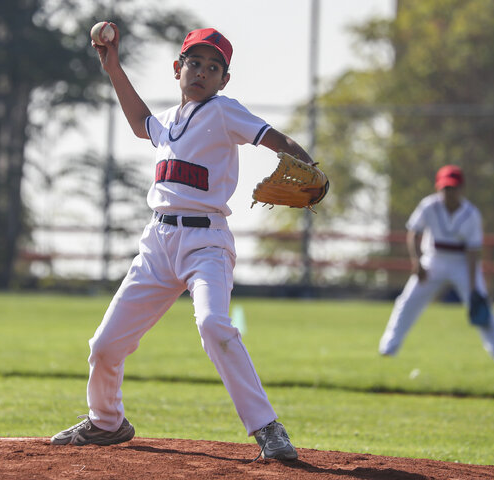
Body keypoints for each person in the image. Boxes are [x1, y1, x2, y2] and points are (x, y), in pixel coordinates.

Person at [50, 26, 312, 461]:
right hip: (157, 244)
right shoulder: (169, 121)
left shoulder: (225, 111)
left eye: (214, 67)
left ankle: (267, 427)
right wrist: (112, 66)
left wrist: (305, 163)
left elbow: (273, 139)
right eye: (195, 63)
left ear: (224, 80)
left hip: (206, 241)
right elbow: (140, 123)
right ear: (178, 68)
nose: (202, 72)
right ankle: (106, 422)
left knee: (213, 324)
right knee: (104, 345)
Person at [378, 165, 494, 362]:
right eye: (445, 188)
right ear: (439, 188)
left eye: (453, 188)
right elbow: (413, 232)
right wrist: (417, 263)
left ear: (461, 189)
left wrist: (474, 287)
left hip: (462, 263)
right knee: (407, 302)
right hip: (433, 259)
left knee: (481, 304)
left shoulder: (471, 213)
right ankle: (388, 348)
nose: (449, 192)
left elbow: (473, 251)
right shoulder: (429, 206)